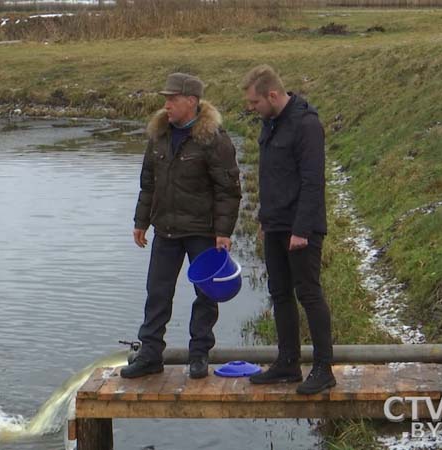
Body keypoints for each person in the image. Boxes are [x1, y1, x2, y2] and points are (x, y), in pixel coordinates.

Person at [121, 73, 241, 379]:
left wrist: (223, 232)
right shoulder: (159, 134)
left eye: (172, 99)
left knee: (206, 294)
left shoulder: (214, 139)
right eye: (165, 99)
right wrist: (141, 221)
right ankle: (150, 355)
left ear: (192, 101)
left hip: (202, 231)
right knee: (157, 292)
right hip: (165, 230)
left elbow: (228, 190)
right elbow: (148, 182)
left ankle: (199, 354)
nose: (167, 105)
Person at [241, 64, 335, 395]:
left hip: (301, 229)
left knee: (308, 294)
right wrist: (266, 220)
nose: (251, 109)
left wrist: (301, 230)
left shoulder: (306, 125)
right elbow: (270, 175)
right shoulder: (269, 123)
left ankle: (324, 369)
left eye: (254, 103)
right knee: (280, 294)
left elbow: (313, 181)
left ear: (272, 94)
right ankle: (288, 364)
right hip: (276, 223)